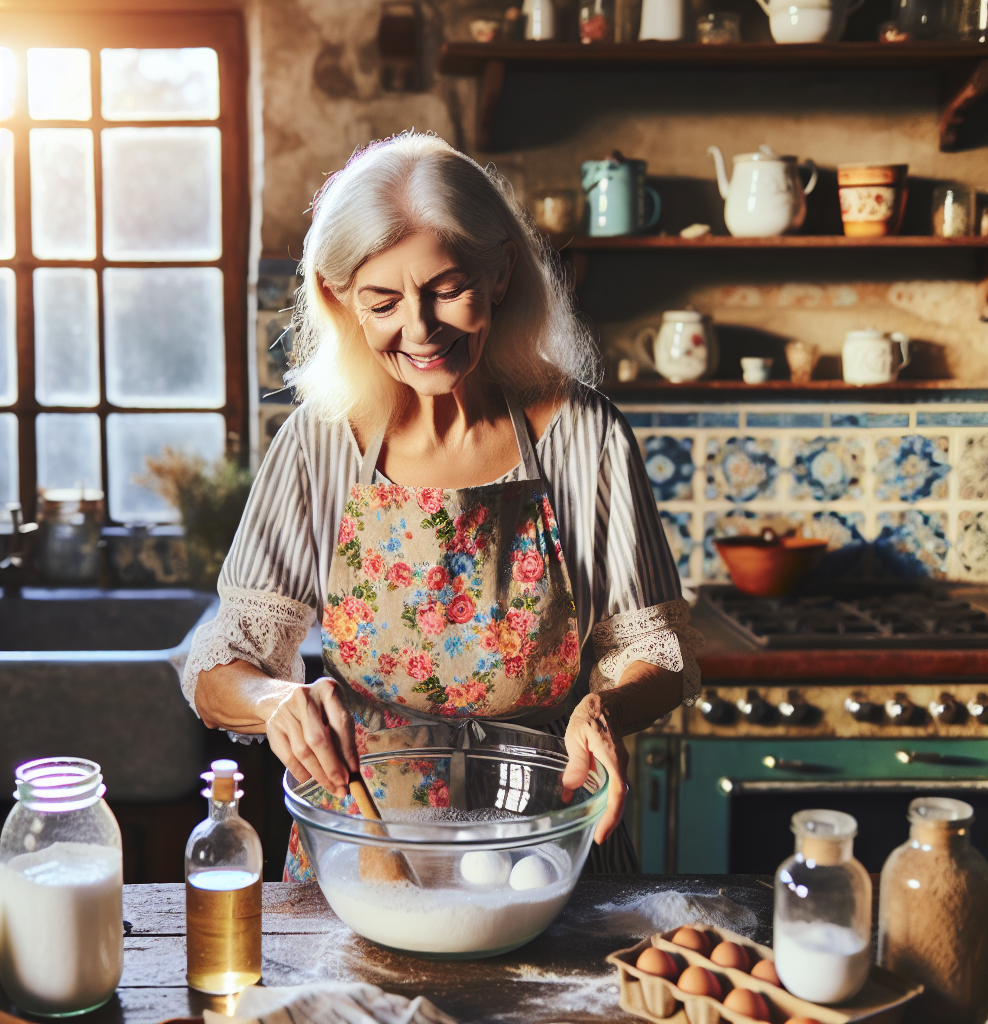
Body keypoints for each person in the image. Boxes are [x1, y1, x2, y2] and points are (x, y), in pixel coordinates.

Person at [181, 132, 702, 880]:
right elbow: (218, 663)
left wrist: (606, 708)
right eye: (383, 301)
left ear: (499, 274)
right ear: (339, 301)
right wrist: (275, 702)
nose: (419, 330)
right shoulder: (320, 443)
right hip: (366, 850)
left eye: (447, 289)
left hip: (548, 847)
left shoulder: (584, 435)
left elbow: (656, 649)